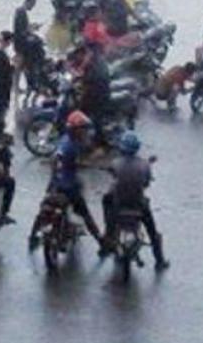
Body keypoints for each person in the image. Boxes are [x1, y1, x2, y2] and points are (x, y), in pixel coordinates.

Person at [37, 110, 103, 250]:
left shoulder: (65, 140)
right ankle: (101, 241)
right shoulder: (70, 146)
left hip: (56, 183)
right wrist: (91, 163)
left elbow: (57, 162)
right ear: (75, 130)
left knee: (44, 207)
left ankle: (33, 236)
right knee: (85, 213)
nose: (84, 132)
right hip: (68, 187)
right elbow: (69, 162)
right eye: (82, 129)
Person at [102, 131, 169, 269]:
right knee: (152, 231)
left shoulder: (116, 162)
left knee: (108, 213)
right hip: (138, 204)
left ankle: (106, 243)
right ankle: (159, 260)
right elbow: (146, 183)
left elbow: (111, 173)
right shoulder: (144, 165)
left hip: (118, 205)